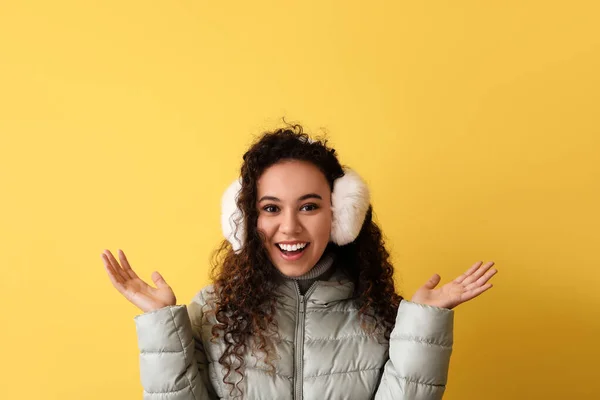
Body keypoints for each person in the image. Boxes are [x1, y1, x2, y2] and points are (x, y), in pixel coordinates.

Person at [102, 124, 498, 400]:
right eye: (271, 208)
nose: (289, 227)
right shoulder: (213, 310)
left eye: (309, 206)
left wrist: (422, 326)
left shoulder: (379, 311)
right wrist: (162, 325)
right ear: (246, 220)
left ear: (341, 215)